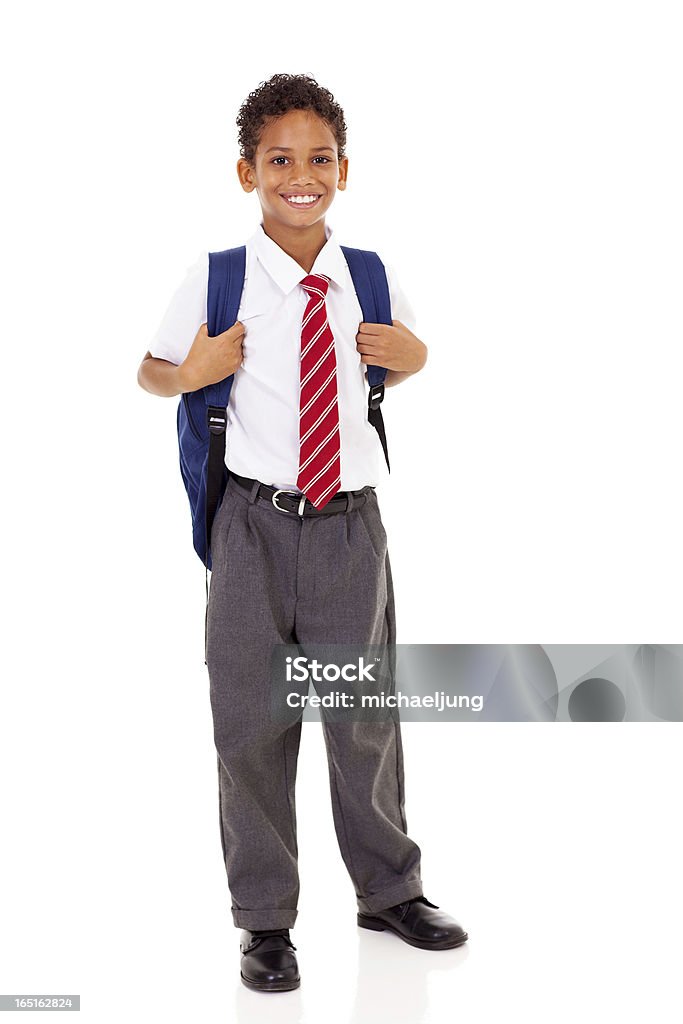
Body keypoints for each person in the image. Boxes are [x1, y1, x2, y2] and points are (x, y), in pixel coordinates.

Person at [137, 72, 467, 993]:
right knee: (251, 723)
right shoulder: (218, 277)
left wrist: (418, 357)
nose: (300, 174)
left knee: (363, 720)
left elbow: (384, 365)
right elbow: (152, 372)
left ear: (344, 170)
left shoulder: (369, 274)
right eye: (279, 159)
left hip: (349, 529)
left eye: (318, 158)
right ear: (247, 172)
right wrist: (195, 365)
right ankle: (266, 922)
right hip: (251, 526)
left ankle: (388, 890)